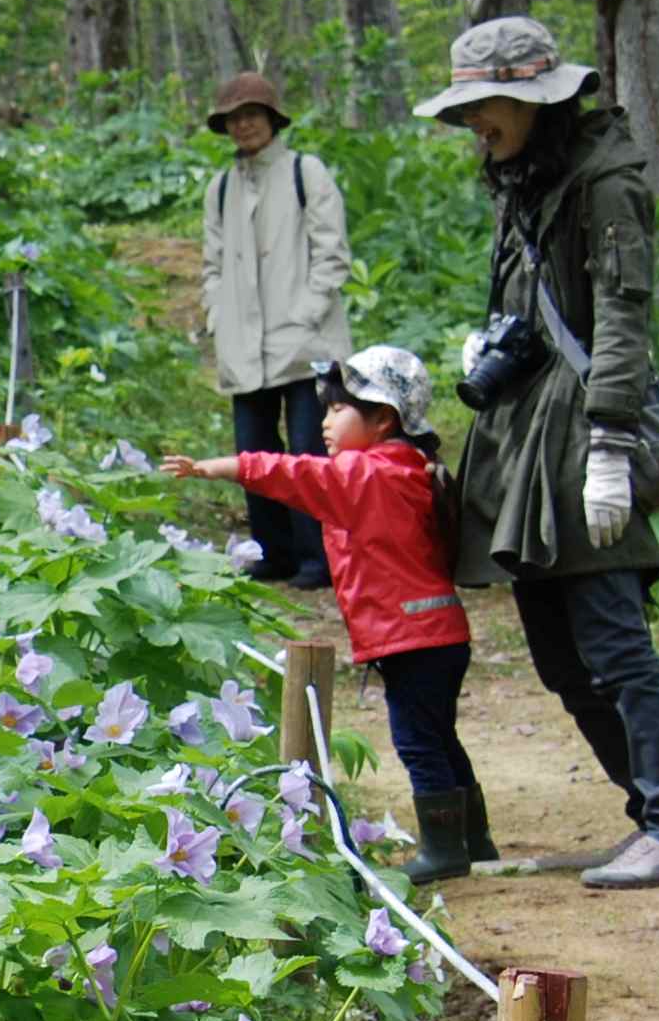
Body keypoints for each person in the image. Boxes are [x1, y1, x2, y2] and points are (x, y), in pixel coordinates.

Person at [414, 15, 659, 891]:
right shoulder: (524, 181)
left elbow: (623, 319)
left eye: (487, 108)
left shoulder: (605, 183)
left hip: (585, 434)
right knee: (557, 656)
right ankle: (646, 816)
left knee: (616, 646)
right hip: (526, 439)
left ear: (532, 100)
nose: (476, 125)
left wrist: (613, 442)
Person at [161, 346, 488, 883]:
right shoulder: (403, 469)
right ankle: (474, 839)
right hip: (438, 630)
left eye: (339, 410)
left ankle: (445, 850)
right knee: (440, 735)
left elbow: (293, 475)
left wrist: (220, 468)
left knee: (418, 740)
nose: (326, 421)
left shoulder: (364, 475)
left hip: (410, 635)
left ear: (383, 419)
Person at [196, 72, 353, 590]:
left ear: (271, 118)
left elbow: (332, 254)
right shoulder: (220, 190)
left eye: (252, 115)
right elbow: (212, 262)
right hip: (243, 344)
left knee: (309, 451)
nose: (244, 125)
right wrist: (218, 314)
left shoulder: (307, 173)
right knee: (254, 450)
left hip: (307, 339)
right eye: (234, 118)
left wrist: (305, 311)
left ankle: (319, 556)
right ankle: (273, 551)